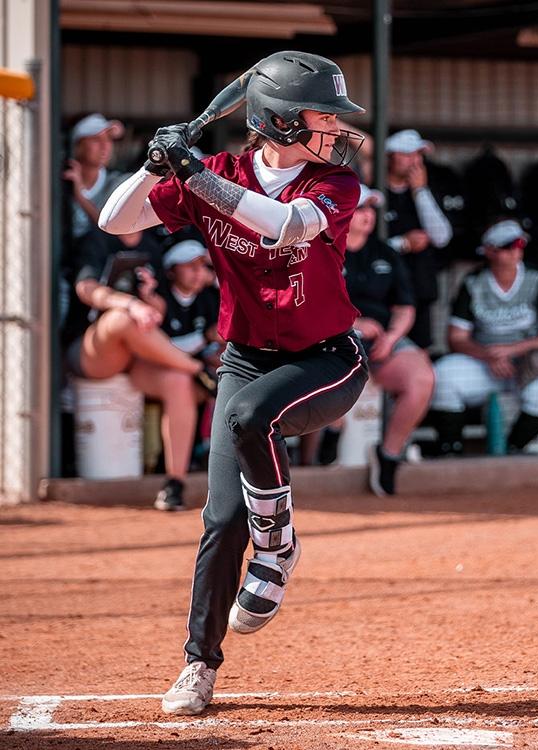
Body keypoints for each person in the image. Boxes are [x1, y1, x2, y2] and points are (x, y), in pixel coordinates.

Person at [98, 51, 369, 716]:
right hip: (247, 358)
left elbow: (281, 225)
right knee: (220, 521)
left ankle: (277, 547)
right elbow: (115, 220)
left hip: (326, 362)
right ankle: (198, 665)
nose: (334, 126)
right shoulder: (216, 171)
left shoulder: (336, 183)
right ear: (276, 122)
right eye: (319, 114)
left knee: (250, 416)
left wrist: (193, 174)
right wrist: (155, 164)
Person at [320, 186, 435, 495]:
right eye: (360, 209)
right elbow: (307, 306)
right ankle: (328, 435)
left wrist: (393, 336)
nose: (367, 215)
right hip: (332, 339)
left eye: (371, 209)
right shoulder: (320, 248)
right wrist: (353, 324)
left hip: (382, 342)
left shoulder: (384, 252)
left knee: (421, 378)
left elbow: (405, 306)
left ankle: (389, 454)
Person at [430, 219, 538, 455]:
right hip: (485, 361)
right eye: (508, 246)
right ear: (489, 251)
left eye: (519, 245)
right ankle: (450, 449)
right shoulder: (474, 282)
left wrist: (512, 350)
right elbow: (456, 338)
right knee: (442, 375)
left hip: (526, 362)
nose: (516, 251)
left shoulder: (537, 279)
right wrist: (489, 355)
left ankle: (516, 447)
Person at [151, 239, 223, 510]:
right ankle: (174, 481)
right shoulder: (160, 298)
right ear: (171, 271)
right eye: (188, 266)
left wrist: (213, 349)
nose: (197, 272)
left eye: (201, 266)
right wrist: (204, 338)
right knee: (182, 381)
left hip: (197, 373)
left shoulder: (208, 298)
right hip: (158, 370)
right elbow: (162, 346)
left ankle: (212, 459)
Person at [384, 129, 453, 349]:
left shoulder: (426, 190)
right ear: (389, 157)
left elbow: (441, 237)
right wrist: (403, 244)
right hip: (383, 290)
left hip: (419, 288)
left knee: (420, 350)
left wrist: (420, 191)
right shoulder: (375, 192)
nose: (414, 161)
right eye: (406, 154)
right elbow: (359, 244)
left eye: (418, 155)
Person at [64, 113, 128, 240]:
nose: (105, 146)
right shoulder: (62, 179)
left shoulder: (116, 183)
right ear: (78, 146)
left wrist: (80, 197)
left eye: (108, 139)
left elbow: (113, 228)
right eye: (96, 140)